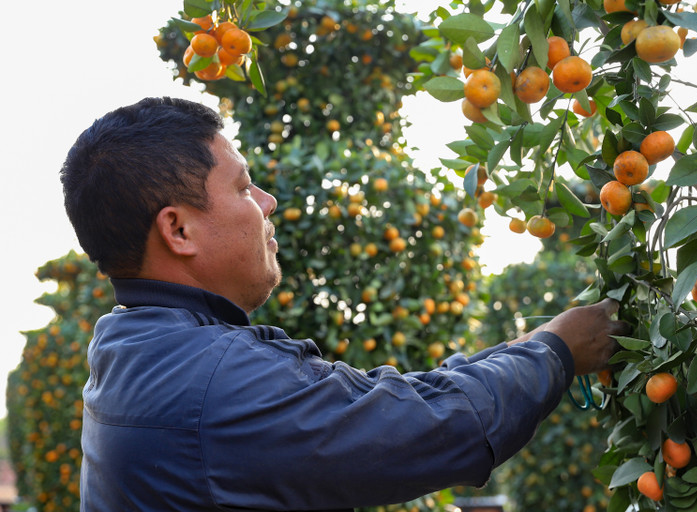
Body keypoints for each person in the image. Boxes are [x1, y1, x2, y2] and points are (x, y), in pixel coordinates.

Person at [61, 96, 628, 512]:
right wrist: (556, 353)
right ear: (178, 230)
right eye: (242, 187)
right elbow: (433, 429)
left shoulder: (130, 343)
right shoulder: (213, 381)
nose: (267, 202)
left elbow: (379, 402)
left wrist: (523, 347)